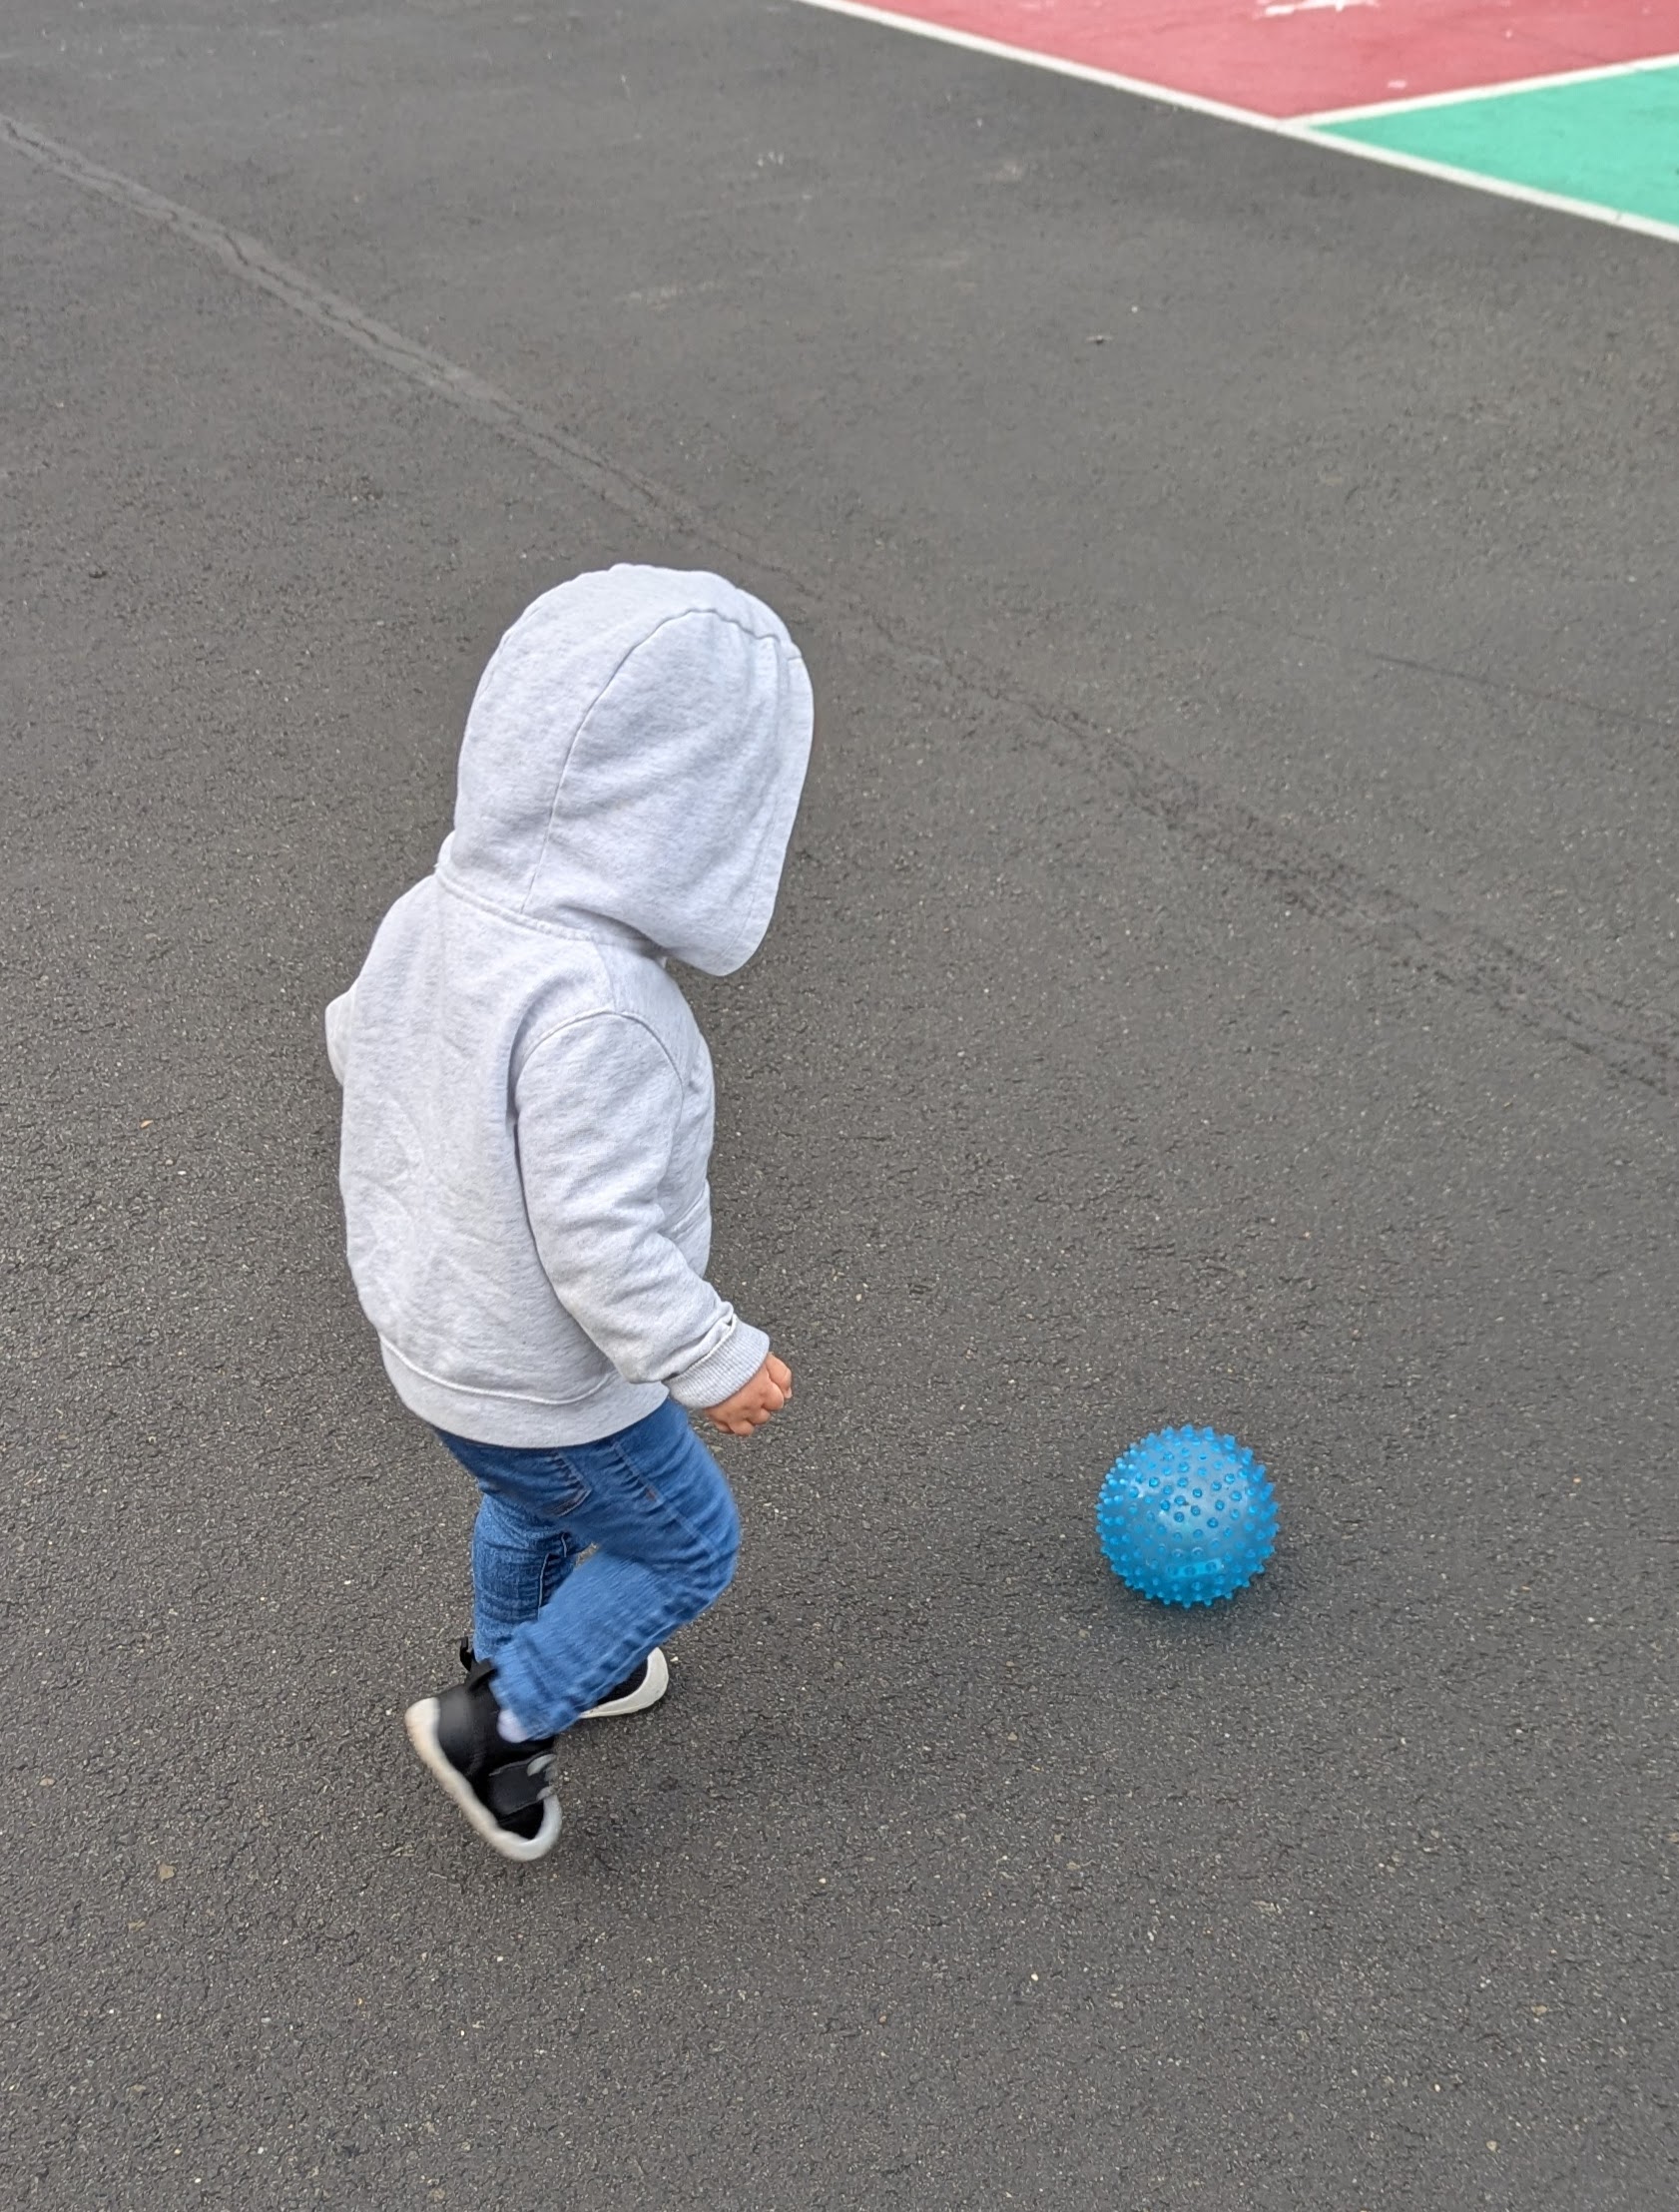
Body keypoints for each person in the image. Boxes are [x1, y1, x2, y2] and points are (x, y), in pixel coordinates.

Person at [324, 565, 812, 1861]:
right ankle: (504, 1721)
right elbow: (597, 1241)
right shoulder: (602, 1009)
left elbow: (355, 1043)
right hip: (547, 1368)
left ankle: (520, 1656)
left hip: (437, 1337)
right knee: (683, 1546)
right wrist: (715, 1360)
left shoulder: (434, 908)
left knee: (537, 1505)